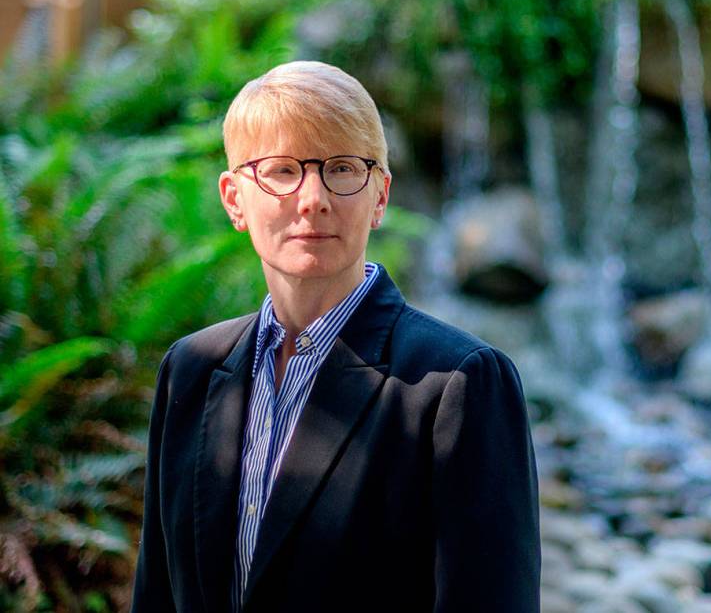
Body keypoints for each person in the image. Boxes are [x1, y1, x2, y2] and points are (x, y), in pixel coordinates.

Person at [130, 61, 541, 612]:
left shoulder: (457, 384)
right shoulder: (191, 369)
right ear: (233, 199)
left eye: (343, 169)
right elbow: (156, 593)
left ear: (380, 196)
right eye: (280, 171)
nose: (313, 199)